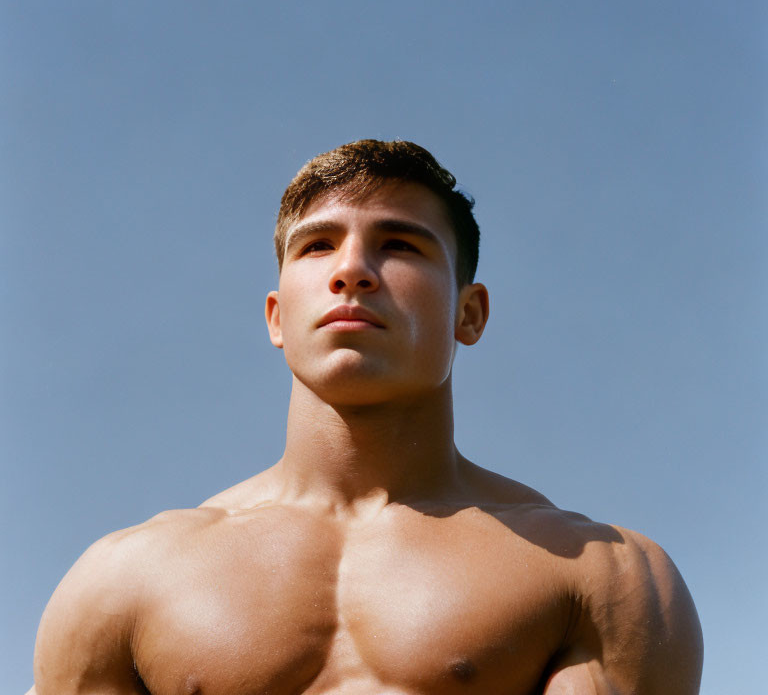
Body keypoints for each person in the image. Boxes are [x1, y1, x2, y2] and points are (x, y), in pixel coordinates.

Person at [28, 140, 703, 695]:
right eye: (316, 246)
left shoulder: (597, 576)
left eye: (401, 245)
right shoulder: (125, 582)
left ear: (469, 313)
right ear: (276, 318)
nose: (352, 269)